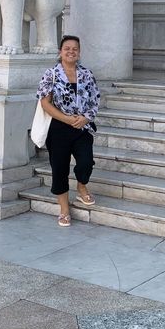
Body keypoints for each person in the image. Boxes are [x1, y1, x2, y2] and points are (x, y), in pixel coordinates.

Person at [36, 35, 100, 227]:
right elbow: (44, 103)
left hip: (82, 126)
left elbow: (95, 100)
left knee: (86, 162)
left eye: (75, 49)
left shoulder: (87, 74)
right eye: (67, 48)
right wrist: (65, 118)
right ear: (60, 52)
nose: (71, 51)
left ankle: (82, 186)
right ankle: (64, 209)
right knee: (59, 169)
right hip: (58, 128)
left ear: (79, 53)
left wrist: (86, 117)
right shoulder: (51, 74)